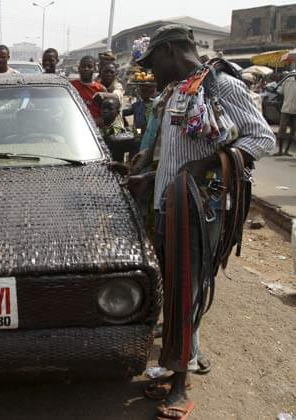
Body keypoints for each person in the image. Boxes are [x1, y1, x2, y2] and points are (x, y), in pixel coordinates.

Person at [128, 24, 275, 419]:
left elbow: (261, 139)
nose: (150, 71)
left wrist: (208, 163)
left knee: (186, 291)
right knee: (174, 288)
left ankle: (180, 382)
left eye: (152, 61)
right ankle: (178, 362)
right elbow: (175, 152)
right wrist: (149, 177)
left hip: (199, 209)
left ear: (173, 50)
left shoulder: (221, 85)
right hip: (167, 205)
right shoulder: (179, 89)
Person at [70, 55, 106, 122]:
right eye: (83, 66)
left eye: (90, 66)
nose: (86, 69)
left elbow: (104, 114)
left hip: (94, 127)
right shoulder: (71, 85)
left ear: (95, 68)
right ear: (79, 68)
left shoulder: (101, 89)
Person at [276, 72, 296, 156]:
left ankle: (286, 151)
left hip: (295, 111)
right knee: (282, 130)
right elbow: (281, 91)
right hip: (285, 109)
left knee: (292, 132)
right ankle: (280, 150)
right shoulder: (288, 80)